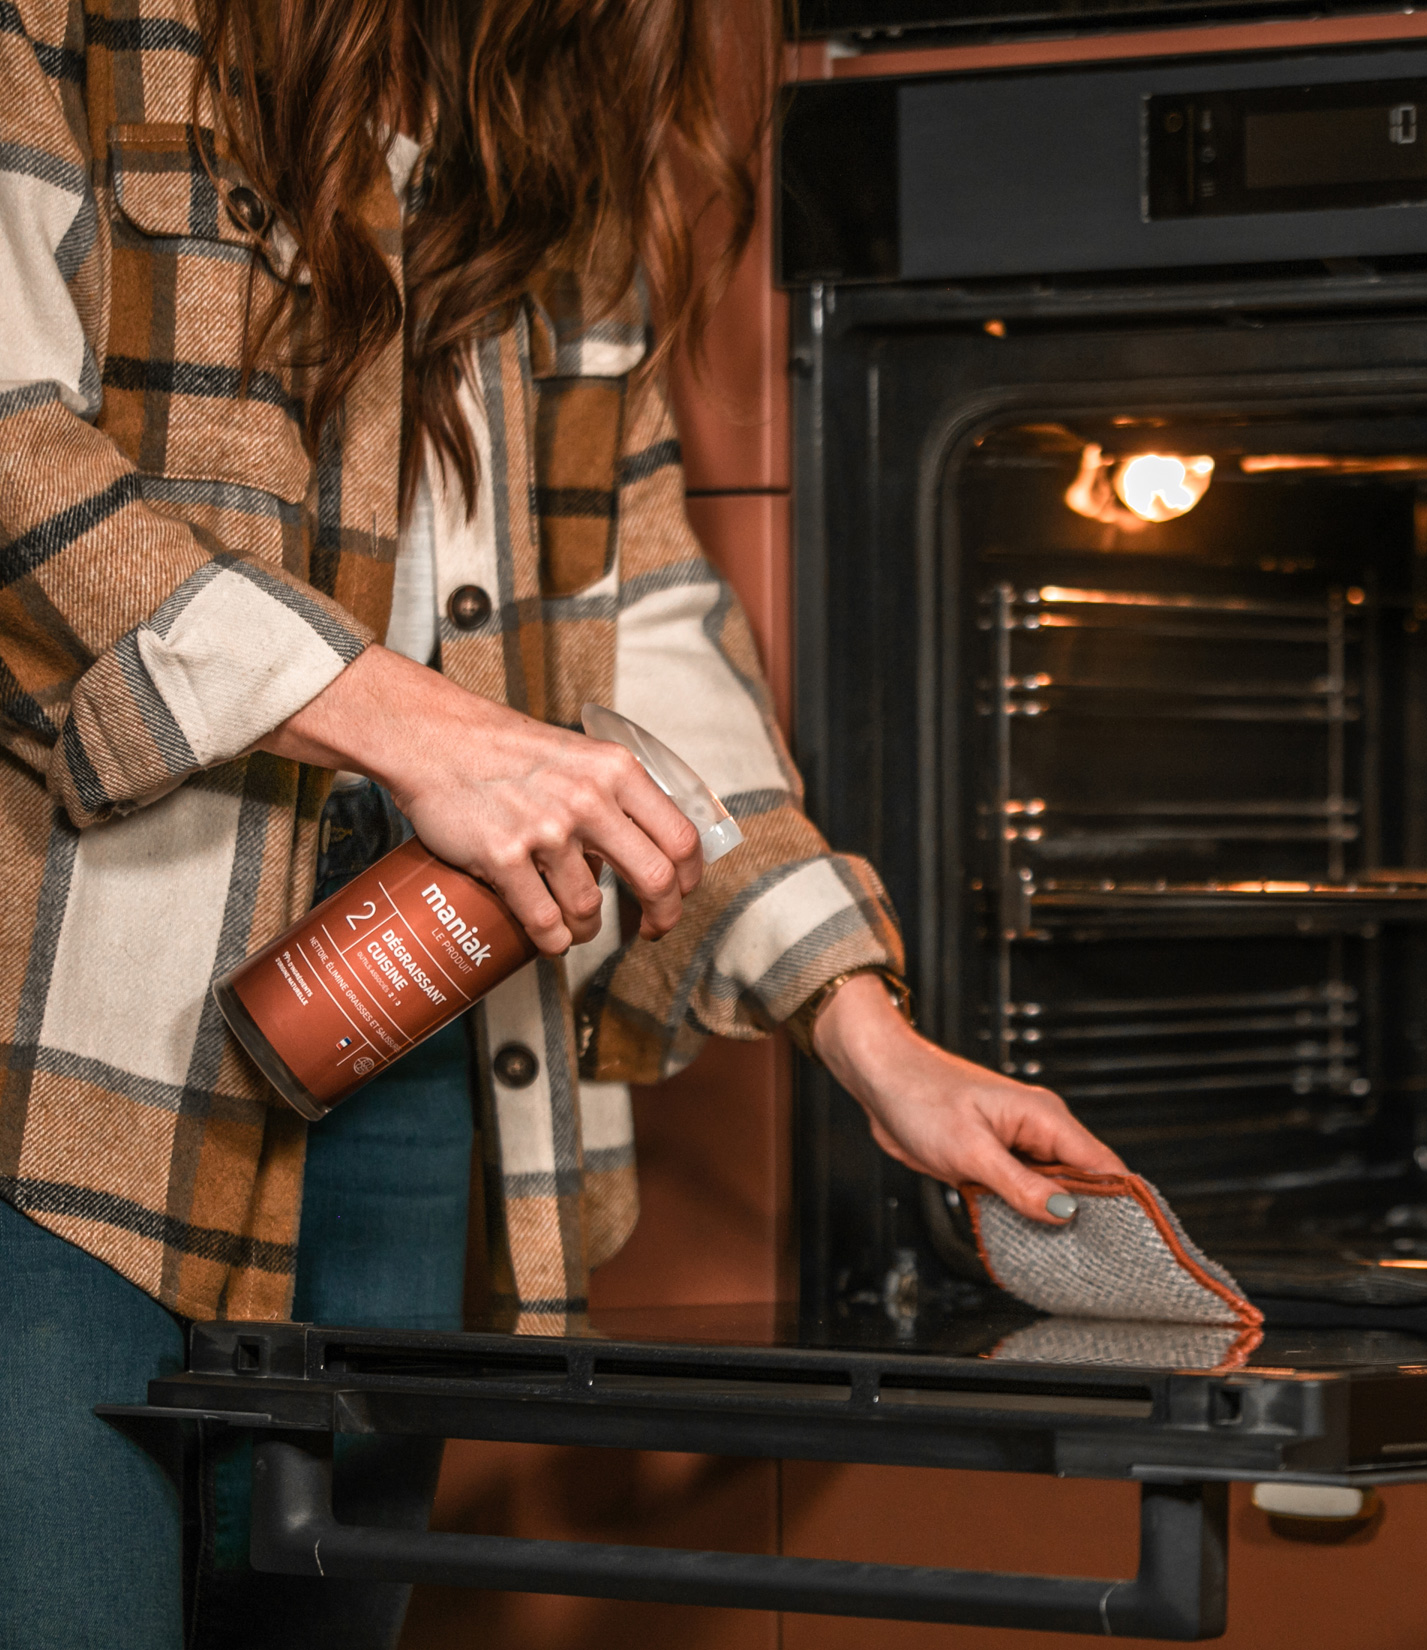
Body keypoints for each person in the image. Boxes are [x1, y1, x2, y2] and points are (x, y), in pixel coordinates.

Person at [0, 0, 1124, 1644]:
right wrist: (410, 716)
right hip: (57, 1076)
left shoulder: (532, 136)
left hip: (404, 1039)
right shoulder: (70, 22)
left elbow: (637, 607)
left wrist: (870, 1033)